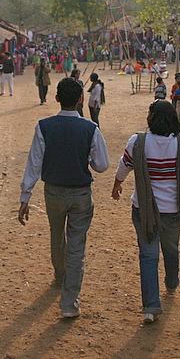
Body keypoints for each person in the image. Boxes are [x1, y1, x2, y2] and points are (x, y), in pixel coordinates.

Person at [111, 100, 180, 323]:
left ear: (151, 118)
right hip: (173, 211)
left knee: (148, 256)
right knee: (171, 249)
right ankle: (171, 282)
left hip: (144, 211)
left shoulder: (137, 142)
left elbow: (124, 166)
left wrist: (117, 184)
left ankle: (150, 307)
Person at [18, 78, 110, 318]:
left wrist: (25, 197)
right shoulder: (90, 128)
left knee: (57, 235)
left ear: (57, 98)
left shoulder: (44, 126)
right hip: (81, 194)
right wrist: (85, 158)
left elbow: (34, 163)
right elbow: (102, 165)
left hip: (54, 192)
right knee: (77, 247)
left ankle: (60, 275)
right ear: (80, 99)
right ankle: (69, 303)